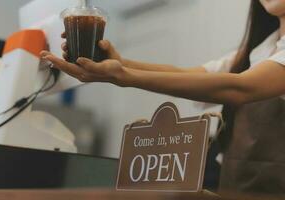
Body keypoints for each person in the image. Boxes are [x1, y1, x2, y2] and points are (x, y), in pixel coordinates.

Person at [41, 0, 285, 195]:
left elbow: (241, 88)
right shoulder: (258, 50)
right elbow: (189, 74)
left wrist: (124, 76)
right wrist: (119, 64)